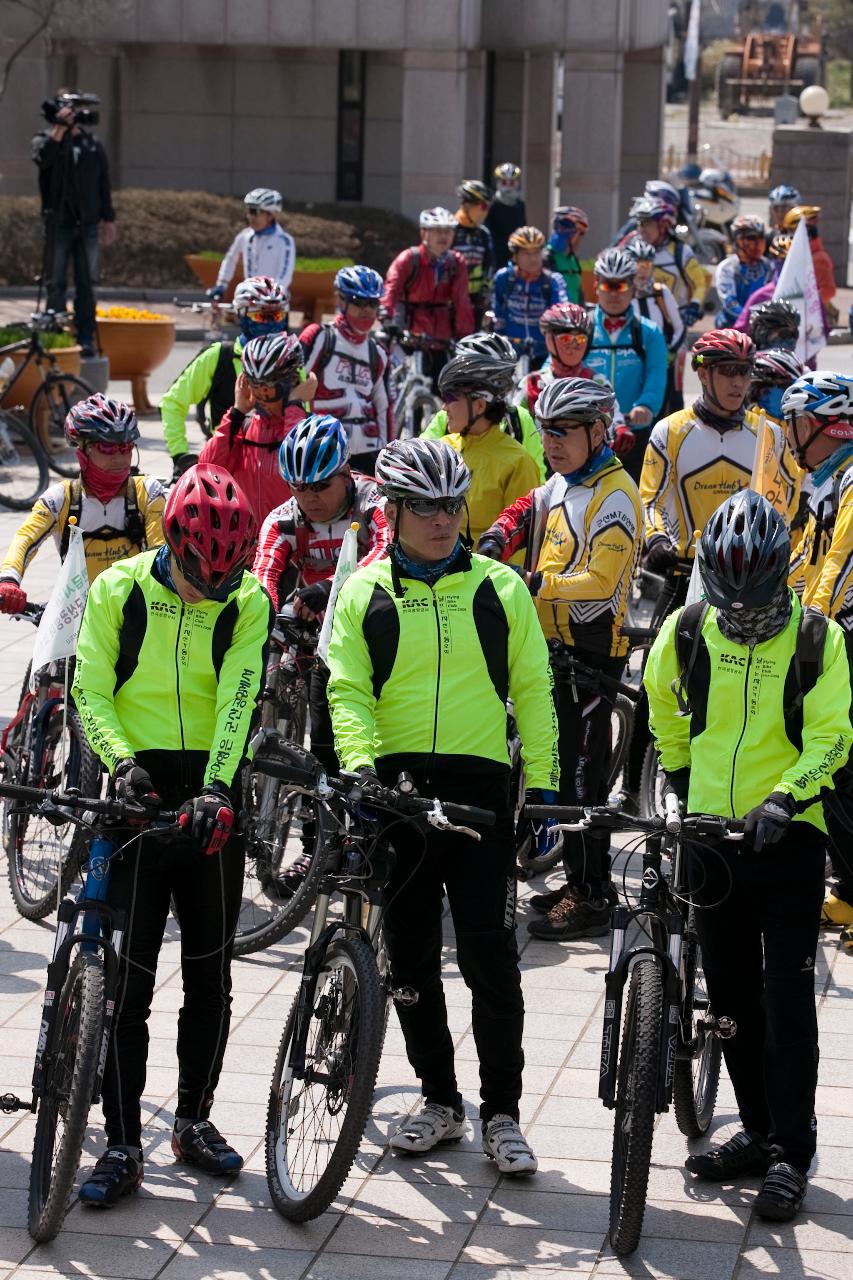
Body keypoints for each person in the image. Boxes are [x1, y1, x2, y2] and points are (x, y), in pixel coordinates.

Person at [326, 437, 559, 1174]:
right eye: (423, 506)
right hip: (396, 788)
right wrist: (360, 768)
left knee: (491, 961)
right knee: (412, 960)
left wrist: (544, 785)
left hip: (479, 789)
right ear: (390, 512)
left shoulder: (499, 587)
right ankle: (437, 1099)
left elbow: (534, 690)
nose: (441, 519)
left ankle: (502, 1115)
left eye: (451, 504)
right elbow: (348, 690)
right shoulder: (364, 591)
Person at [644, 488, 852, 1223]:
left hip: (786, 840)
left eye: (754, 593)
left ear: (782, 574)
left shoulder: (815, 640)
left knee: (786, 1001)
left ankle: (792, 1152)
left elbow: (832, 737)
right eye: (727, 592)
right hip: (710, 842)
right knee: (730, 1000)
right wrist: (676, 783)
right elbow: (662, 709)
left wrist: (786, 797)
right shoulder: (688, 628)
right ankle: (758, 1133)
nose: (741, 609)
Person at [72, 463, 272, 1206]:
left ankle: (193, 1120)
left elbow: (240, 696)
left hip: (209, 796)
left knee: (210, 981)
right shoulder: (118, 590)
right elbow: (91, 686)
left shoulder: (245, 600)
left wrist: (219, 787)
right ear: (171, 542)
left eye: (224, 577)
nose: (208, 589)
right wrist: (120, 766)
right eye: (197, 573)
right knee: (127, 986)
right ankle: (122, 1143)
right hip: (135, 789)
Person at [479, 378, 642, 939]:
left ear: (598, 432)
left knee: (581, 781)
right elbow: (531, 505)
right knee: (557, 766)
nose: (550, 441)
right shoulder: (567, 481)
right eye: (545, 429)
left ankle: (594, 895)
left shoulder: (614, 495)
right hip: (552, 648)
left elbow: (600, 583)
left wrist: (532, 582)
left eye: (563, 431)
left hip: (592, 655)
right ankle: (575, 879)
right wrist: (500, 534)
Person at [253, 414, 390, 788]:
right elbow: (263, 576)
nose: (309, 497)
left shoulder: (374, 500)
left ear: (345, 473)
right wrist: (262, 614)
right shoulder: (283, 519)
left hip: (370, 619)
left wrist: (332, 585)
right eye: (298, 487)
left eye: (320, 486)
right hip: (315, 622)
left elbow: (387, 546)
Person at [783, 372, 853, 935]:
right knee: (840, 772)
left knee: (847, 771)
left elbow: (838, 563)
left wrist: (810, 625)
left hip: (844, 641)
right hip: (837, 640)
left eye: (794, 423)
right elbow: (805, 558)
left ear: (818, 425)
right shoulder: (828, 481)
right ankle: (850, 892)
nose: (788, 435)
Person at [641, 329, 800, 574]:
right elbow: (651, 500)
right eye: (728, 371)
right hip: (686, 569)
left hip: (748, 574)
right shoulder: (669, 431)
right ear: (704, 374)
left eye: (745, 371)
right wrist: (657, 540)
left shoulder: (768, 434)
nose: (738, 382)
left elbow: (789, 497)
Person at [0, 395, 164, 605]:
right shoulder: (60, 499)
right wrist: (9, 580)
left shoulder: (148, 493)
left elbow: (159, 554)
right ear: (82, 452)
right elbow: (25, 539)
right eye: (107, 448)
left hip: (133, 614)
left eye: (126, 447)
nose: (120, 458)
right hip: (75, 617)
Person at [161, 275, 289, 479]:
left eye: (276, 315)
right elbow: (172, 402)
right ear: (242, 315)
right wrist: (180, 454)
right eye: (260, 316)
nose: (270, 324)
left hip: (279, 472)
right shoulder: (218, 356)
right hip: (224, 469)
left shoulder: (291, 362)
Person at [198, 331, 312, 528]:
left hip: (293, 545)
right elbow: (208, 469)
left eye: (268, 390)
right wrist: (237, 412)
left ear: (292, 382)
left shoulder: (310, 428)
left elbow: (300, 467)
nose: (261, 399)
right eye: (255, 388)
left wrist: (294, 406)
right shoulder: (244, 426)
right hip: (249, 546)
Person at [33, 91, 116, 357]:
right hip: (59, 224)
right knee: (55, 282)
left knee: (86, 283)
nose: (77, 118)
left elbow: (103, 184)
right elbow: (42, 159)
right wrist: (59, 128)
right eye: (71, 112)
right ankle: (55, 334)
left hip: (88, 225)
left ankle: (85, 336)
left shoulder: (93, 146)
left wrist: (109, 219)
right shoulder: (47, 140)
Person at [436, 351, 541, 550]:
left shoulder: (517, 462)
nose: (443, 407)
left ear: (479, 405)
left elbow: (522, 542)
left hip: (487, 575)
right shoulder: (442, 448)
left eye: (450, 397)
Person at [298, 265, 392, 475]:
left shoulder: (379, 352)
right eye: (359, 302)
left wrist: (388, 455)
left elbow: (384, 407)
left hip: (368, 450)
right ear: (341, 301)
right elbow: (293, 389)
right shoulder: (318, 337)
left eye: (373, 303)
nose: (367, 310)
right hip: (324, 447)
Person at [584, 247, 668, 481]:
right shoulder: (582, 328)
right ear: (596, 287)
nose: (614, 294)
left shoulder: (648, 332)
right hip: (588, 429)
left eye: (620, 286)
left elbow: (657, 375)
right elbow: (560, 364)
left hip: (633, 432)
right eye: (607, 286)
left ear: (632, 287)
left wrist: (646, 406)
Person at [422, 332, 545, 479]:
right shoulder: (446, 418)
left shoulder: (518, 418)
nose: (445, 406)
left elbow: (537, 475)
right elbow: (421, 456)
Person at [381, 207, 474, 389]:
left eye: (448, 231)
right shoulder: (409, 258)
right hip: (408, 332)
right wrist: (386, 319)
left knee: (445, 390)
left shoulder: (456, 262)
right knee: (399, 385)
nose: (443, 236)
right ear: (423, 232)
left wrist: (464, 336)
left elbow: (461, 301)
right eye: (437, 231)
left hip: (441, 337)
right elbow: (390, 289)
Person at [490, 226, 568, 365]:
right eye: (526, 253)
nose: (533, 259)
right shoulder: (504, 278)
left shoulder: (553, 281)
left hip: (544, 353)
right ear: (515, 255)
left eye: (537, 252)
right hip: (510, 353)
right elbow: (498, 315)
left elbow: (561, 314)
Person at [626, 236, 685, 416]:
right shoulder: (624, 293)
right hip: (635, 360)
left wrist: (670, 352)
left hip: (664, 359)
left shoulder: (660, 291)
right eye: (639, 265)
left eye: (648, 265)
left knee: (670, 404)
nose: (643, 271)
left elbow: (679, 327)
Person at [208, 188, 295, 302]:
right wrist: (222, 284)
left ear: (270, 215)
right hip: (248, 302)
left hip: (274, 306)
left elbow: (285, 275)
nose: (250, 216)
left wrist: (272, 295)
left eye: (255, 212)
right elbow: (230, 259)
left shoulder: (284, 241)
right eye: (249, 211)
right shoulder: (245, 236)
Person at [632, 193, 706, 328]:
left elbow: (700, 284)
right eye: (639, 223)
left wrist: (694, 306)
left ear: (663, 225)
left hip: (674, 325)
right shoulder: (630, 252)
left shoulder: (681, 252)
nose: (642, 229)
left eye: (647, 223)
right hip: (639, 326)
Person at [715, 215, 774, 328]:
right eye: (751, 238)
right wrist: (751, 319)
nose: (757, 243)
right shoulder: (727, 267)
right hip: (733, 327)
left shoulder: (769, 266)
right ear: (738, 240)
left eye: (761, 237)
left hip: (763, 327)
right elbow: (729, 302)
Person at [731, 233, 794, 336]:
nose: (786, 266)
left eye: (790, 261)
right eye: (781, 260)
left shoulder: (809, 293)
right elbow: (740, 329)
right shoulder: (761, 296)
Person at [452, 179, 495, 327]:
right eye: (482, 206)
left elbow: (490, 264)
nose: (485, 211)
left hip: (476, 300)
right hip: (452, 299)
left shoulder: (483, 233)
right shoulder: (450, 230)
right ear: (466, 205)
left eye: (488, 207)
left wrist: (485, 290)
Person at [782, 205, 836, 309]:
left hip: (815, 316)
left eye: (791, 233)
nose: (787, 238)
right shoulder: (800, 255)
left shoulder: (819, 259)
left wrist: (805, 306)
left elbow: (829, 290)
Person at [746, 347, 804, 425]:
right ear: (762, 391)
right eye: (786, 386)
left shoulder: (799, 426)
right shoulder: (747, 426)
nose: (795, 394)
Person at [486, 162, 527, 269]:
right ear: (498, 183)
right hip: (496, 254)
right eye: (504, 182)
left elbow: (522, 228)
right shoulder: (492, 204)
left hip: (514, 254)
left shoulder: (520, 205)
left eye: (512, 183)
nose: (508, 186)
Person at [544, 206, 589, 304]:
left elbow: (578, 292)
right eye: (557, 227)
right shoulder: (545, 258)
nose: (580, 240)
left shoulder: (573, 260)